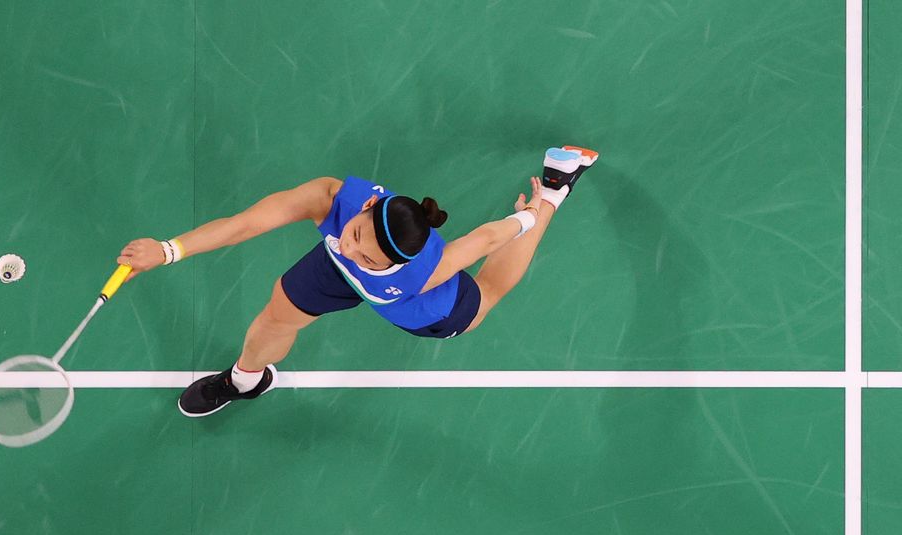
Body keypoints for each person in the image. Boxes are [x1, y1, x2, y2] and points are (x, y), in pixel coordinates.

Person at [117, 146, 598, 417]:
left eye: (367, 254)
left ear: (394, 263)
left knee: (488, 293)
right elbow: (248, 223)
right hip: (334, 277)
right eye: (356, 235)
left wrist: (532, 215)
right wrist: (168, 250)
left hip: (416, 305)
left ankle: (557, 188)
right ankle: (245, 379)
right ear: (366, 207)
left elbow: (489, 237)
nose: (352, 247)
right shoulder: (333, 201)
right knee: (275, 316)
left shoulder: (428, 271)